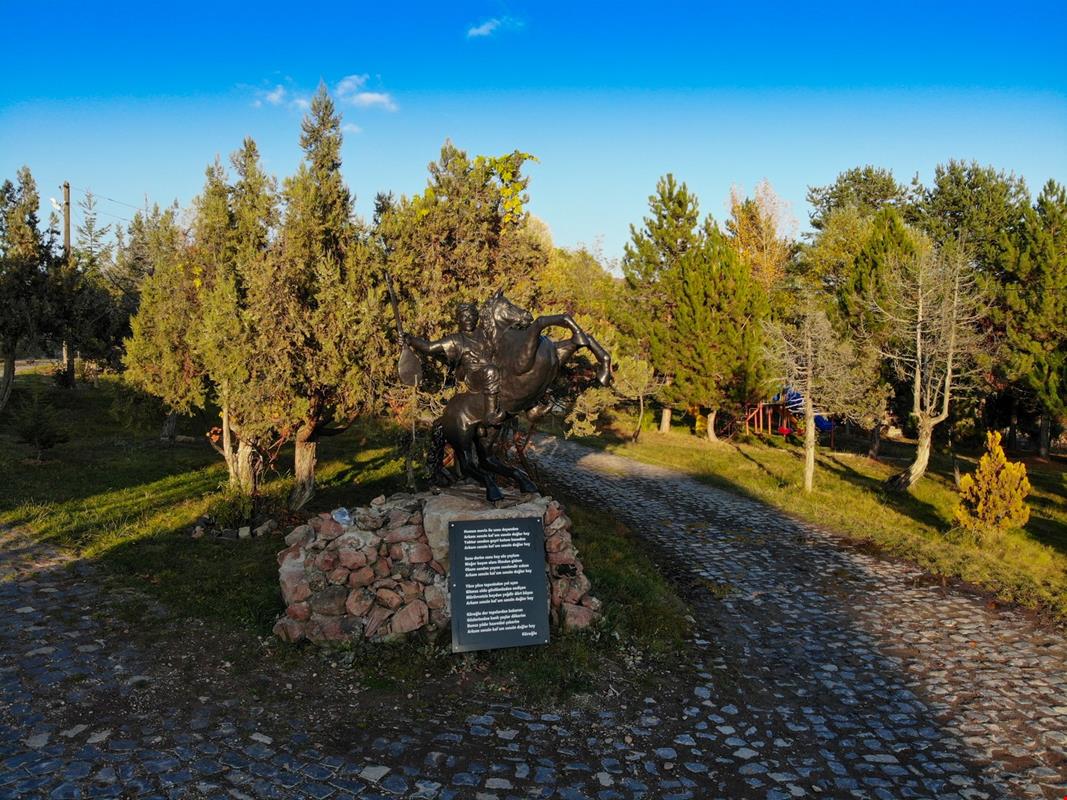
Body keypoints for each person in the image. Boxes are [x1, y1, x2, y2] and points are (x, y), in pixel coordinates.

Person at [405, 302, 505, 426]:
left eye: (471, 315)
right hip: (474, 376)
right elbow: (429, 347)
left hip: (492, 371)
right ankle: (490, 415)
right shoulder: (455, 340)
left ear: (476, 317)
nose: (468, 319)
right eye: (464, 316)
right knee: (491, 371)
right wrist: (409, 339)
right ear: (458, 319)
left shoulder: (485, 333)